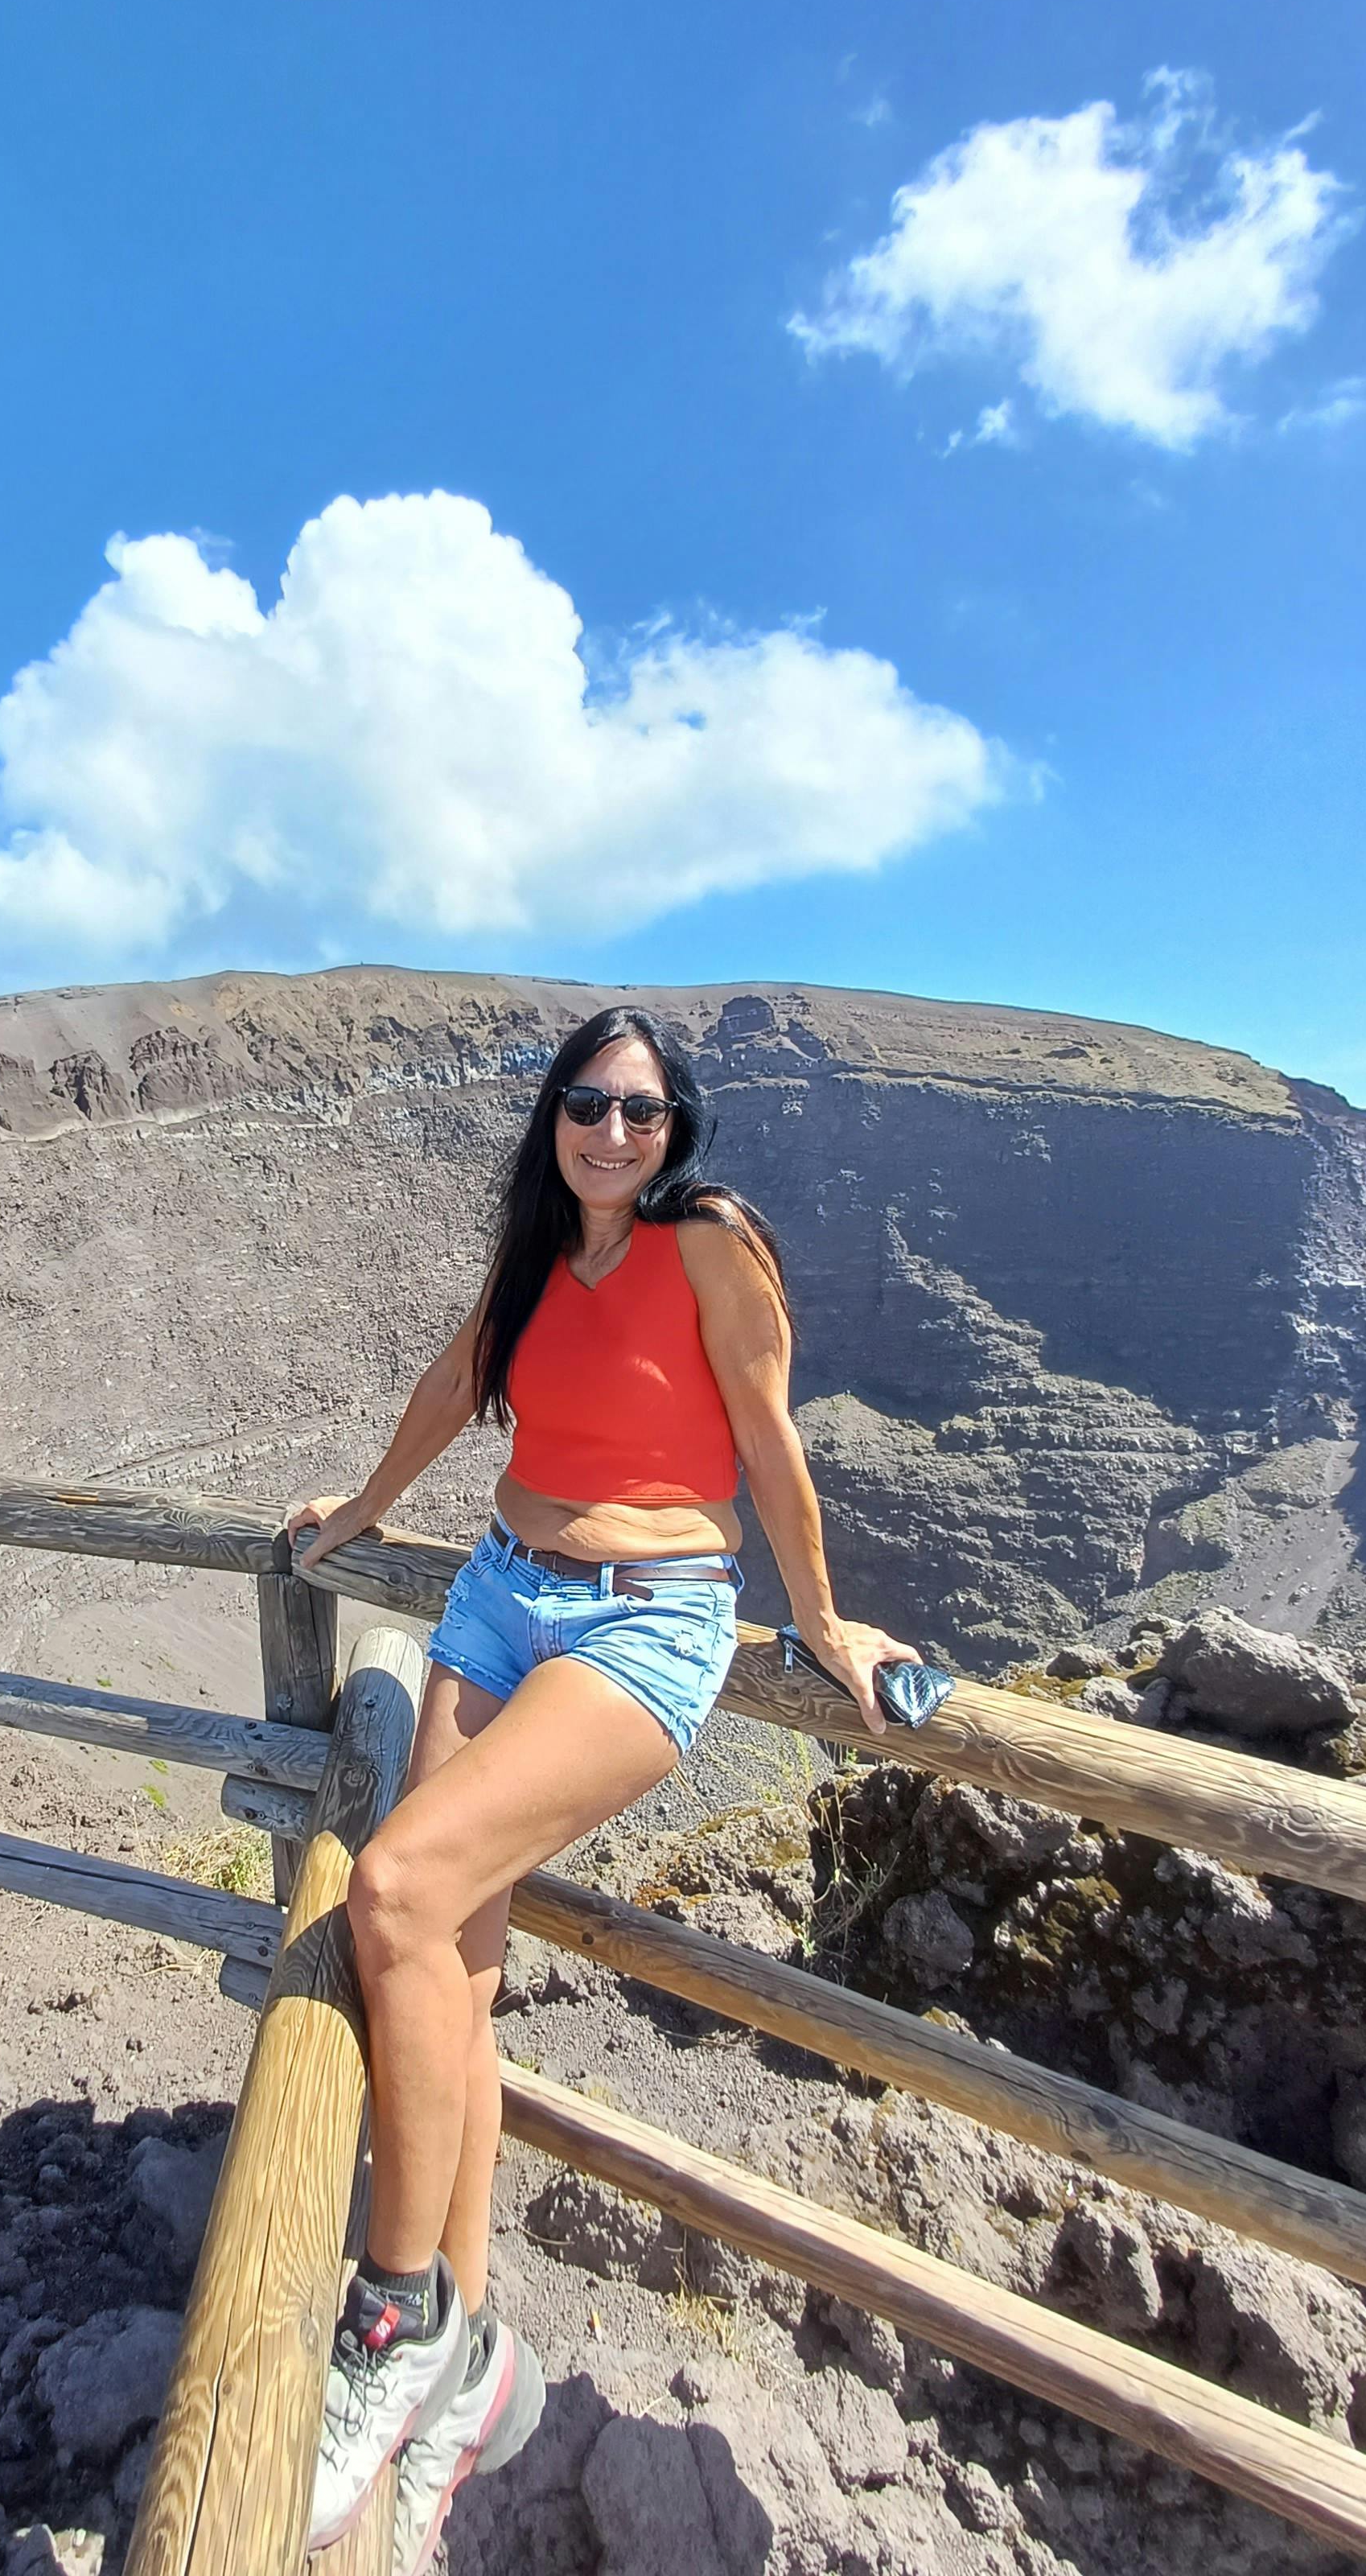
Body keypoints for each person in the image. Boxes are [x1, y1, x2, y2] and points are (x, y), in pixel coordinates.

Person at [290, 1005, 921, 2575]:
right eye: (587, 1104)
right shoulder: (532, 1245)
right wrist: (362, 1507)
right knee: (452, 1968)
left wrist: (825, 1620)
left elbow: (767, 1435)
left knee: (392, 1892)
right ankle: (468, 2370)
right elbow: (457, 1382)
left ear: (677, 1126)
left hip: (648, 1620)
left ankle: (392, 2322)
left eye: (643, 1111)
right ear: (554, 1116)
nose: (613, 1134)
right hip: (498, 1591)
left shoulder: (711, 1242)